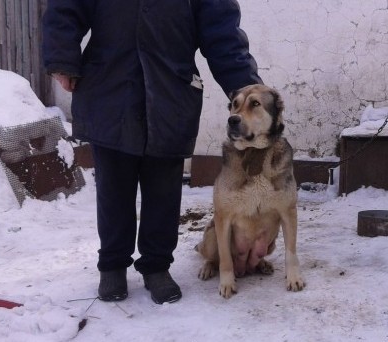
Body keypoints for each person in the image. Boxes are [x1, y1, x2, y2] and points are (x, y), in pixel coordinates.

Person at [42, 0, 262, 304]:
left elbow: (222, 32)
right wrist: (62, 58)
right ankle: (112, 265)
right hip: (109, 87)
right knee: (113, 187)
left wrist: (248, 91)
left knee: (164, 190)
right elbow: (66, 8)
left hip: (170, 92)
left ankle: (157, 266)